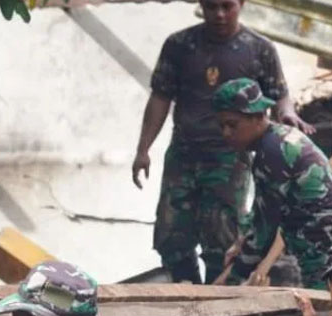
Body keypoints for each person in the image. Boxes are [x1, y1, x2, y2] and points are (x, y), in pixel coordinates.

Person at [133, 0, 312, 285]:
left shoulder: (259, 49)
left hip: (230, 160)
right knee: (171, 237)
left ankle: (217, 298)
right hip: (184, 153)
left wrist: (288, 114)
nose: (219, 15)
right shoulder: (179, 45)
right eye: (211, 7)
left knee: (223, 240)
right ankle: (186, 293)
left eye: (227, 7)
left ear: (241, 4)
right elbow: (160, 97)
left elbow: (279, 93)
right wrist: (143, 149)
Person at [213, 78, 332, 289]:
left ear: (259, 116)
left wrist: (233, 276)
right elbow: (261, 208)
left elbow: (264, 230)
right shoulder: (279, 139)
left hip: (330, 253)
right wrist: (241, 243)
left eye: (233, 125)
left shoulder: (272, 154)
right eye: (221, 125)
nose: (226, 133)